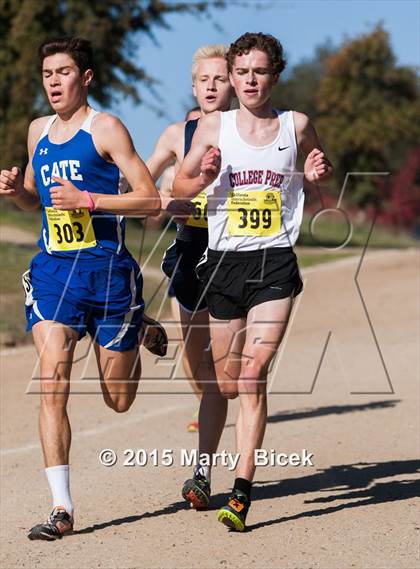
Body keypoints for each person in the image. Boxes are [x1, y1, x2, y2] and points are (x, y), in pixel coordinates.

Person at [0, 36, 161, 540]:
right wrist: (16, 194)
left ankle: (137, 331)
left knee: (118, 399)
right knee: (53, 383)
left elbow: (150, 199)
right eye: (46, 73)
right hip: (55, 274)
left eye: (63, 72)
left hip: (108, 274)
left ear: (85, 77)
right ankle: (61, 508)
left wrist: (89, 200)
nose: (52, 81)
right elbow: (38, 203)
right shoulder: (37, 132)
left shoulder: (106, 128)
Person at [173, 32, 333, 531]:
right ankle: (226, 467)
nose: (249, 80)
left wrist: (317, 174)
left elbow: (322, 179)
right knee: (224, 381)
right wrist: (203, 175)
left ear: (275, 76)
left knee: (251, 374)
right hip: (222, 263)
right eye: (241, 72)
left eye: (259, 71)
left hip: (274, 264)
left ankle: (241, 489)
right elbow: (179, 187)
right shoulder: (214, 128)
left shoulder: (295, 125)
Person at [146, 45, 233, 504]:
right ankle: (212, 409)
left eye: (221, 78)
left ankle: (203, 469)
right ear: (194, 84)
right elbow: (141, 183)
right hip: (190, 248)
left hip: (235, 250)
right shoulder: (177, 134)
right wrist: (160, 200)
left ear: (234, 83)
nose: (213, 86)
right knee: (194, 359)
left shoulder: (247, 131)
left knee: (223, 371)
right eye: (205, 79)